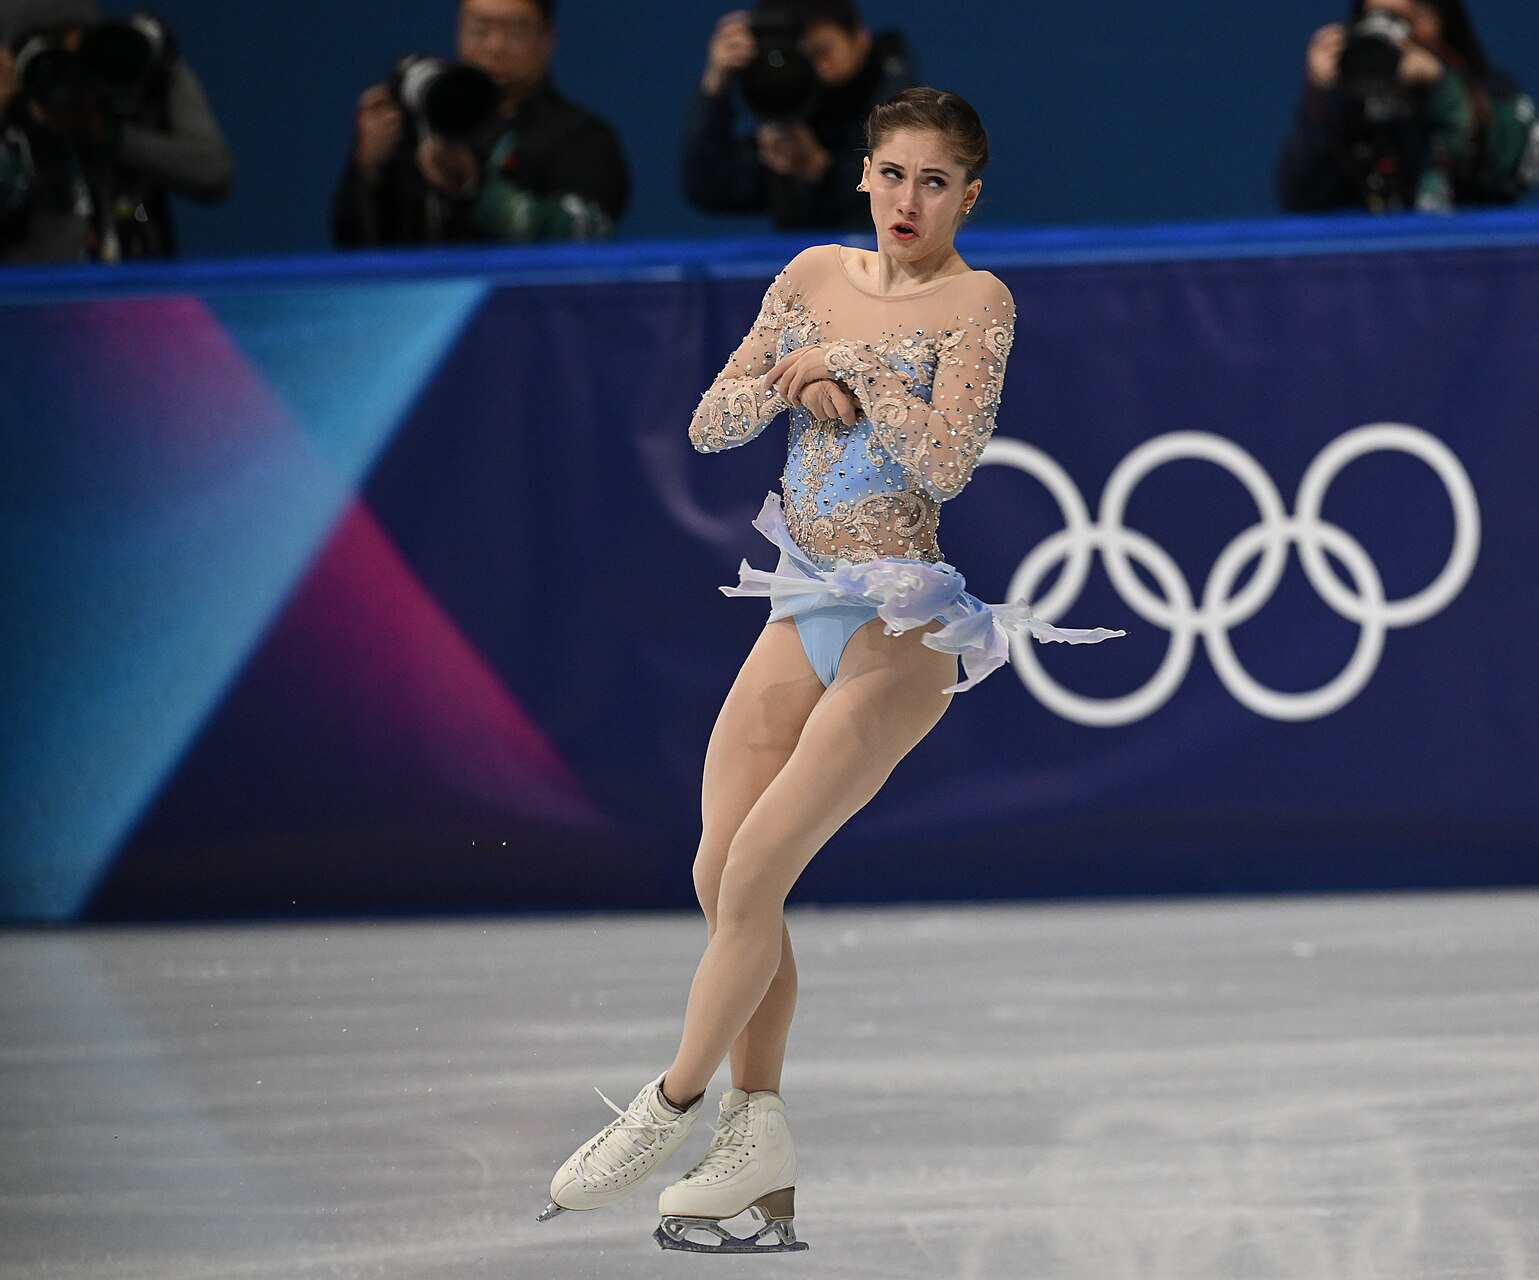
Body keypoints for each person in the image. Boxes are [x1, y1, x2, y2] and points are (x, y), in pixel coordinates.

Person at [535, 87, 1120, 1254]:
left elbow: (948, 464)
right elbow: (711, 420)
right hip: (797, 600)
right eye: (893, 174)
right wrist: (791, 376)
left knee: (752, 875)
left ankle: (672, 1102)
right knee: (722, 873)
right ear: (864, 175)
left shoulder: (979, 301)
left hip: (897, 632)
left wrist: (859, 365)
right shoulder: (807, 272)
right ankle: (759, 1138)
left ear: (970, 196)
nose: (911, 200)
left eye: (936, 182)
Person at [331, 0, 628, 247]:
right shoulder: (420, 124)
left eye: (515, 32)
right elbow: (355, 247)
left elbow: (581, 237)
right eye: (479, 29)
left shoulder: (584, 139)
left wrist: (474, 188)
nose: (495, 47)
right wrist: (368, 171)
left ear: (548, 37)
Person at [0, 0, 232, 262]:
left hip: (138, 292)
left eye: (71, 35)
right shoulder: (7, 96)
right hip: (31, 298)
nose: (64, 58)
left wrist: (106, 133)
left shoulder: (137, 67)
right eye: (41, 46)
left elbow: (214, 172)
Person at [1277, 0, 1539, 213]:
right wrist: (1329, 96)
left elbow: (1516, 165)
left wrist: (1441, 88)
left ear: (1441, 21)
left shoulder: (1487, 93)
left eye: (1406, 19)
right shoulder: (1348, 106)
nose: (1394, 36)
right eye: (1376, 18)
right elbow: (1301, 196)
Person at [682, 1, 916, 229]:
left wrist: (821, 171)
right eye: (798, 58)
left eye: (821, 52)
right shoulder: (788, 120)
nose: (813, 71)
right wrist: (715, 84)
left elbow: (902, 196)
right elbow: (708, 187)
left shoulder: (902, 105)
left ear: (860, 37)